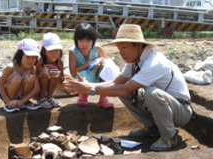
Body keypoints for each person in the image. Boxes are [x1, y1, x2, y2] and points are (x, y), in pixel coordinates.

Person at [64, 24, 193, 151]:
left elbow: (125, 88)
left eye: (124, 47)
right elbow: (115, 83)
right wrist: (85, 86)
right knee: (129, 92)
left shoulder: (154, 62)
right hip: (166, 106)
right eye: (119, 49)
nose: (121, 53)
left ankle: (169, 137)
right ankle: (152, 127)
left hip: (181, 111)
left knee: (151, 94)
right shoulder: (134, 62)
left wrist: (90, 90)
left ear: (138, 45)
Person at [69, 23, 114, 108]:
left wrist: (99, 62)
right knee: (80, 75)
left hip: (96, 75)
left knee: (106, 69)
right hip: (82, 76)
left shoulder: (97, 48)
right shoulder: (73, 51)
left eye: (88, 41)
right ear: (76, 40)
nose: (85, 44)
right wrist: (88, 64)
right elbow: (73, 72)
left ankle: (103, 99)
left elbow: (106, 62)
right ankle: (83, 96)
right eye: (81, 41)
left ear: (93, 41)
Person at [0, 38, 41, 113]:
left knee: (29, 78)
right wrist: (8, 101)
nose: (30, 60)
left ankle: (24, 102)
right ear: (20, 55)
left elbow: (36, 88)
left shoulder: (32, 68)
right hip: (7, 92)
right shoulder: (10, 68)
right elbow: (0, 85)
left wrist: (22, 101)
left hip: (21, 94)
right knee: (17, 78)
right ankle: (9, 103)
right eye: (27, 57)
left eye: (34, 57)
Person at [36, 32, 64, 108]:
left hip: (50, 89)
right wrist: (42, 74)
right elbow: (32, 79)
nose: (54, 54)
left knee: (55, 73)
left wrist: (59, 72)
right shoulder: (39, 61)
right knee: (44, 76)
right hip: (36, 90)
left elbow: (61, 81)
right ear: (44, 51)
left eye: (57, 51)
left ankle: (49, 98)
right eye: (50, 51)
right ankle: (41, 99)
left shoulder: (59, 62)